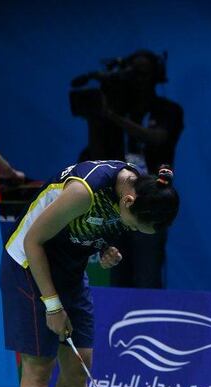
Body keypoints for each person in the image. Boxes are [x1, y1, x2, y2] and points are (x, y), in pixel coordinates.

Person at [0, 160, 179, 387]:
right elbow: (35, 240)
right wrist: (51, 305)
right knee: (39, 369)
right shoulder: (84, 191)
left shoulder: (138, 187)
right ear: (128, 202)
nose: (135, 231)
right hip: (28, 268)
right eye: (137, 227)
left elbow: (90, 229)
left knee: (80, 364)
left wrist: (103, 248)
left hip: (70, 269)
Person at [79, 49, 183, 288]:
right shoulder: (114, 109)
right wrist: (97, 119)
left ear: (157, 75)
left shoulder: (168, 111)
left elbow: (156, 138)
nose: (138, 80)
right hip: (115, 204)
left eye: (143, 74)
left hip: (151, 203)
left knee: (147, 276)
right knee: (116, 275)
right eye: (133, 74)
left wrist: (112, 116)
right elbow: (96, 156)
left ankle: (148, 323)